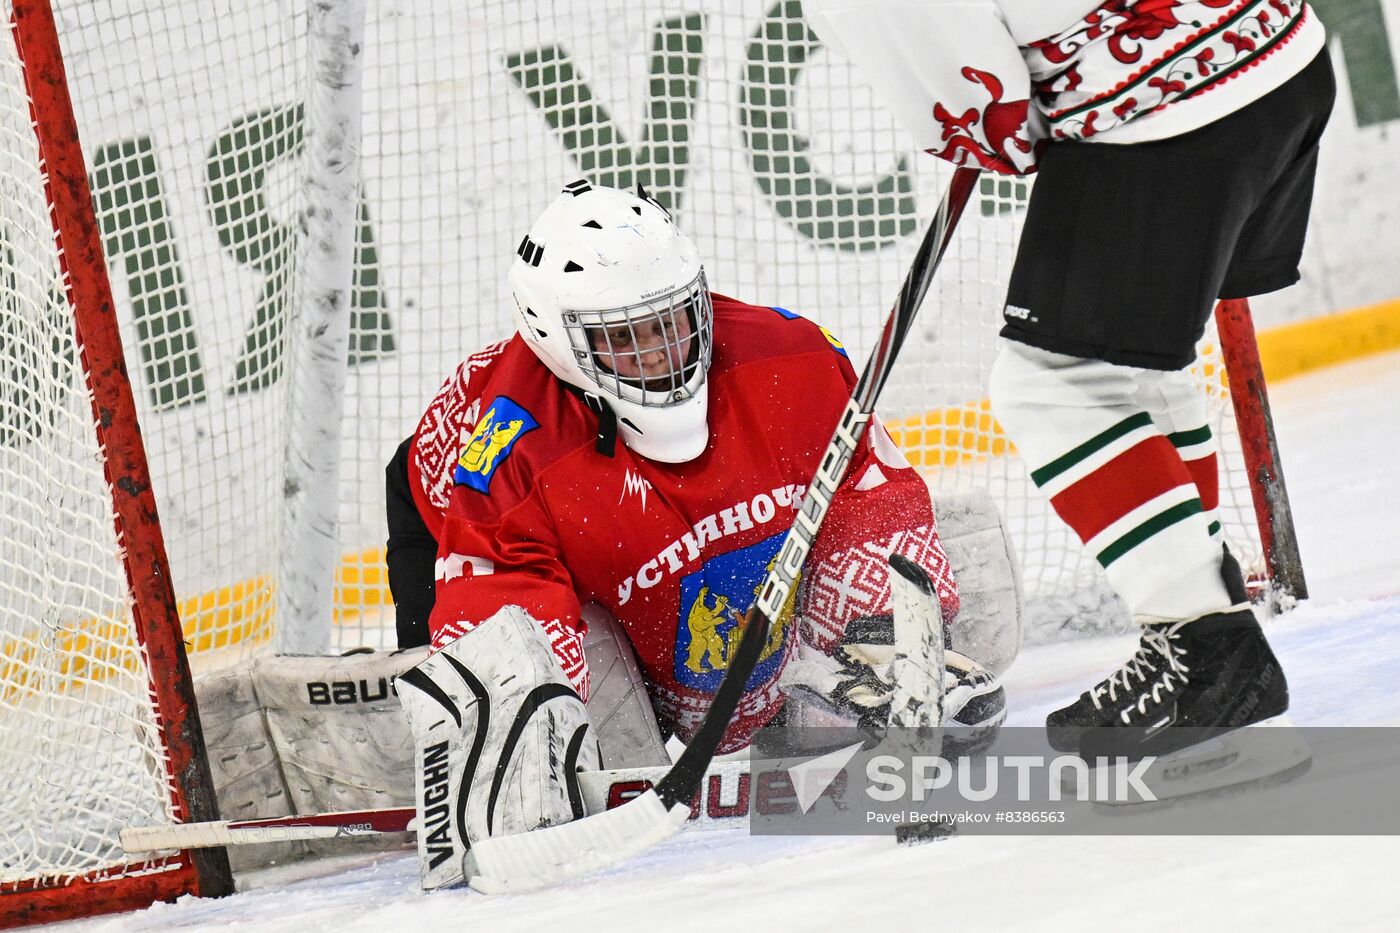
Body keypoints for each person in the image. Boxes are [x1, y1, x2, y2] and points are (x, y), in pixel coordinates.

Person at [385, 181, 1011, 885]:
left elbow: (867, 485)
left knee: (973, 582)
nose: (658, 352)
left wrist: (874, 632)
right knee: (575, 722)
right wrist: (521, 720)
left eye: (672, 320)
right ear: (559, 344)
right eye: (624, 337)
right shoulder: (509, 452)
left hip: (676, 565)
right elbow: (502, 592)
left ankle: (820, 680)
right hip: (455, 526)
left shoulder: (790, 356)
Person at [805, 0, 1333, 768]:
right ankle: (1205, 610)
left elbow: (975, 103)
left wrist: (994, 129)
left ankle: (1208, 650)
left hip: (1165, 109)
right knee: (1132, 361)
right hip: (1283, 55)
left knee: (1051, 385)